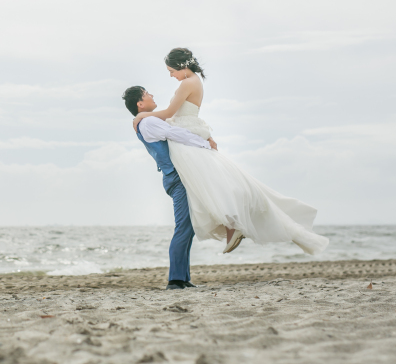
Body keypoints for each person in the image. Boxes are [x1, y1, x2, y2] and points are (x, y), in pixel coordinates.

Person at [132, 47, 329, 256]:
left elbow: (171, 113)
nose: (171, 75)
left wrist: (142, 116)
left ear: (181, 66)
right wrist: (205, 134)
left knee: (209, 183)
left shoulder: (187, 83)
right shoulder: (194, 81)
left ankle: (232, 223)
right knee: (212, 182)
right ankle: (230, 225)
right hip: (189, 129)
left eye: (171, 71)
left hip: (186, 134)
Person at [122, 85, 218, 290]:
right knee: (183, 227)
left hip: (175, 176)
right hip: (175, 177)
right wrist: (205, 144)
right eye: (147, 94)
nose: (152, 95)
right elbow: (176, 134)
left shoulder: (147, 121)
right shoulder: (147, 122)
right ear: (140, 104)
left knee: (188, 227)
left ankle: (183, 278)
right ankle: (175, 280)